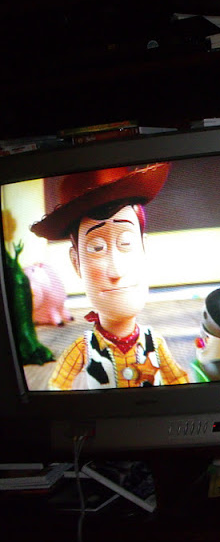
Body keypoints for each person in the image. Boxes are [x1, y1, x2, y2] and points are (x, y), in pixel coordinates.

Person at [30, 164, 190, 390]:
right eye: (97, 248)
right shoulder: (84, 349)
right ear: (76, 262)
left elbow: (178, 381)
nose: (116, 271)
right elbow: (58, 386)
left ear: (144, 249)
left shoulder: (154, 343)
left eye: (126, 243)